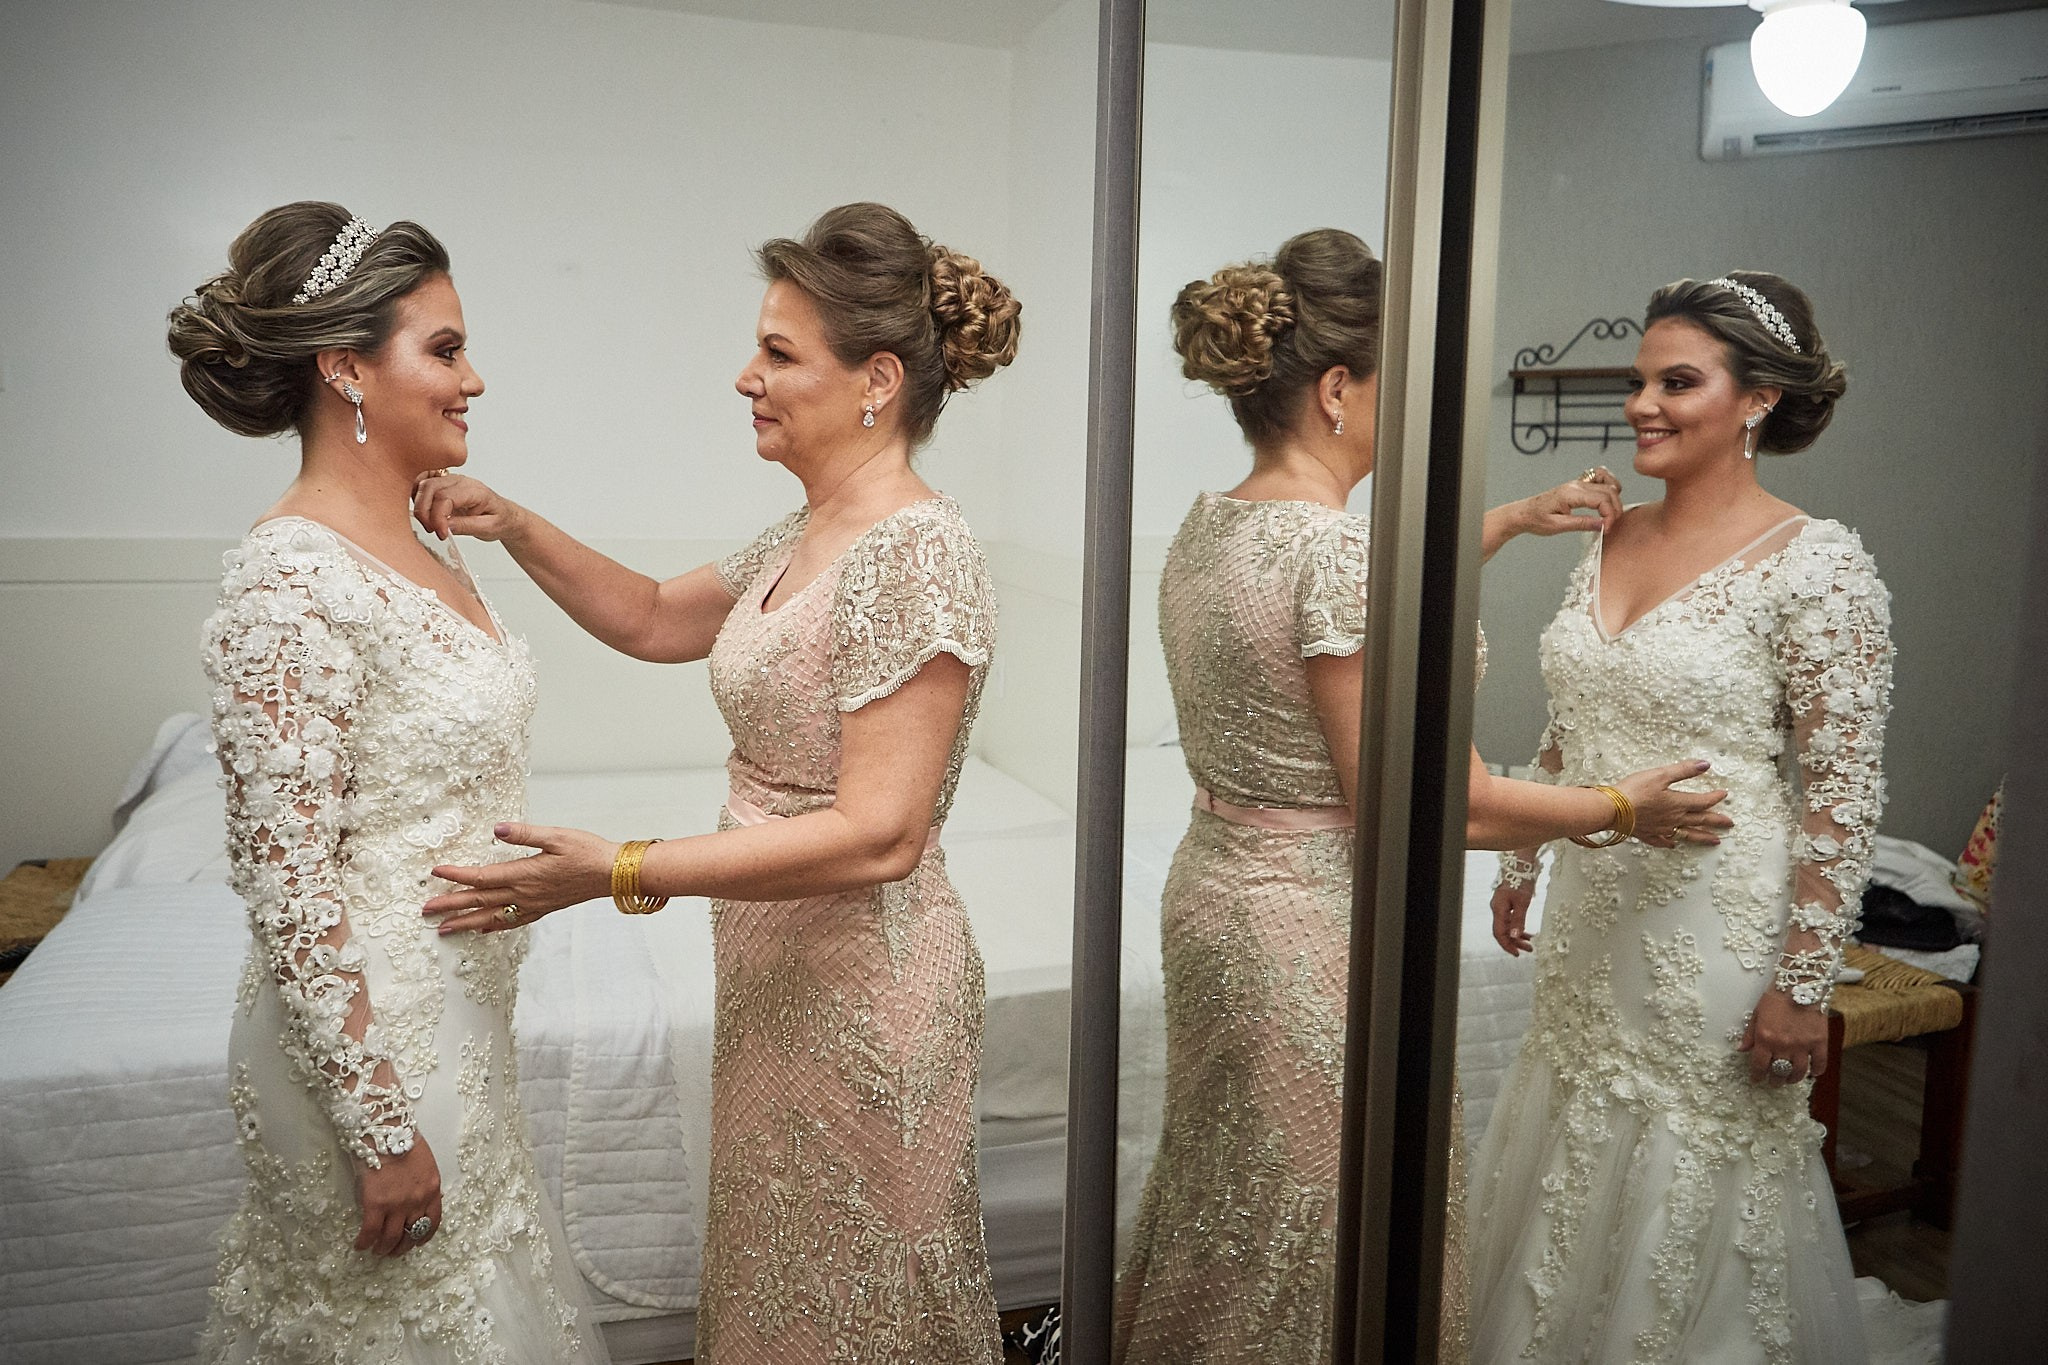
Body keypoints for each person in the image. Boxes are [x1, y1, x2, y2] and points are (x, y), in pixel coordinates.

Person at [1110, 230, 1733, 1365]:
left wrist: (1500, 523)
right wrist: (1615, 808)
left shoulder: (1210, 526)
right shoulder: (1338, 555)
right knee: (1316, 1225)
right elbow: (1437, 806)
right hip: (1305, 927)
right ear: (1340, 389)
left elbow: (1324, 618)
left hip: (1215, 893)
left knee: (1230, 1197)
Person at [413, 203, 1021, 1365]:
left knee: (859, 1294)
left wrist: (620, 870)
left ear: (875, 381)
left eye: (779, 354)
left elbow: (880, 835)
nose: (745, 376)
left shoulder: (915, 551)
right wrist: (514, 525)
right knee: (782, 1279)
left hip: (866, 990)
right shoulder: (811, 529)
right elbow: (649, 617)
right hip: (774, 967)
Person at [170, 202, 608, 1363]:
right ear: (344, 367)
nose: (475, 380)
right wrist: (375, 1127)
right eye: (447, 349)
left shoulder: (430, 538)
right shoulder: (287, 583)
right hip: (373, 1052)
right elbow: (288, 886)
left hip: (461, 1024)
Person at [1469, 272, 1888, 1363]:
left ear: (1755, 400)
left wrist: (1802, 987)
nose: (1641, 404)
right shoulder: (1605, 533)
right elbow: (1576, 712)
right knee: (1572, 1123)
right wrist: (1522, 847)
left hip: (1709, 922)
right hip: (1588, 905)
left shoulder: (1816, 564)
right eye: (1637, 380)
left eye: (1676, 381)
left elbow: (1842, 795)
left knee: (1688, 1158)